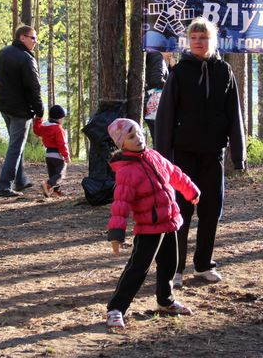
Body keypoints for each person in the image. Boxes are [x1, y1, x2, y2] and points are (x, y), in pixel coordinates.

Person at [154, 17, 246, 287]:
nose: (198, 42)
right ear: (188, 41)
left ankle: (204, 264)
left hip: (213, 152)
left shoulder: (224, 71)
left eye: (203, 38)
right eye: (193, 38)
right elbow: (165, 115)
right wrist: (162, 158)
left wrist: (238, 154)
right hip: (183, 154)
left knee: (211, 209)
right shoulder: (180, 72)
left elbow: (234, 114)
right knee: (181, 210)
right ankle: (175, 269)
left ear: (211, 40)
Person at [104, 118, 200, 331]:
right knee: (138, 268)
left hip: (169, 222)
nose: (138, 138)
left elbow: (174, 173)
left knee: (170, 263)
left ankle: (165, 301)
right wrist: (116, 234)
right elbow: (120, 204)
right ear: (122, 144)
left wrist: (191, 190)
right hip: (148, 228)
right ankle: (116, 309)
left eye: (139, 133)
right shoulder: (126, 171)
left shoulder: (154, 156)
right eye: (131, 137)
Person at [0, 24, 44, 197]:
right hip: (20, 110)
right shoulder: (26, 59)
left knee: (16, 144)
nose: (35, 42)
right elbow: (34, 88)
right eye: (33, 38)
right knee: (15, 147)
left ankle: (20, 180)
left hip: (4, 106)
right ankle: (4, 186)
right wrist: (40, 110)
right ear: (22, 37)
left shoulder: (3, 52)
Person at [32, 104, 70, 197]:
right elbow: (62, 143)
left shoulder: (44, 127)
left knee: (53, 174)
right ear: (59, 119)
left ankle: (55, 191)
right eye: (62, 118)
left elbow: (36, 131)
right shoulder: (58, 129)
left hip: (48, 155)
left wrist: (38, 120)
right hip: (57, 155)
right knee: (60, 174)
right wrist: (66, 155)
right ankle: (47, 185)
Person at [143, 51, 169, 141]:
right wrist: (171, 85)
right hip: (154, 101)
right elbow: (156, 79)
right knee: (160, 137)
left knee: (156, 135)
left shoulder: (151, 55)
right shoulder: (157, 56)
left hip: (149, 101)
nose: (170, 53)